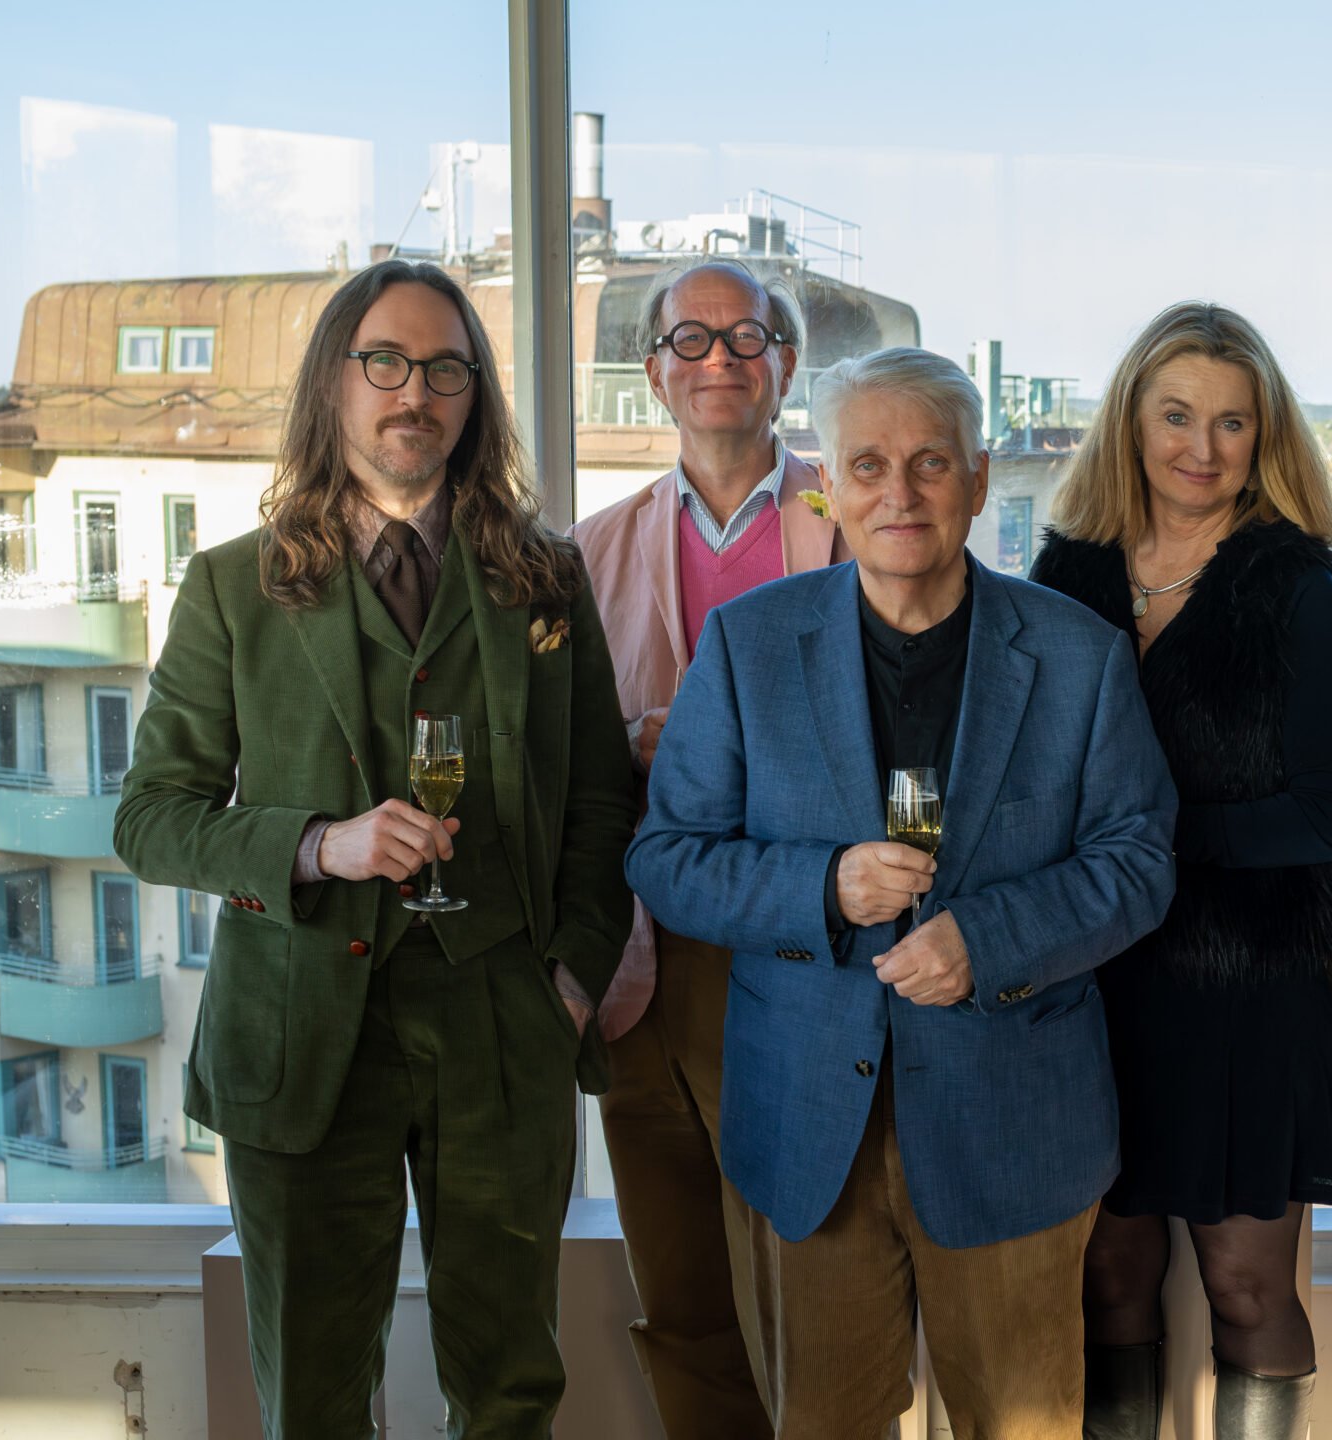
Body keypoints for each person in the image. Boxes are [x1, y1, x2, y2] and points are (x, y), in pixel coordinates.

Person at [113, 258, 634, 1437]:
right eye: (386, 363)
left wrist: (568, 985)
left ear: (474, 394)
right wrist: (317, 846)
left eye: (446, 369)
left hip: (501, 1025)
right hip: (300, 1034)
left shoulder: (545, 578)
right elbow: (150, 817)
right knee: (313, 1397)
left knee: (510, 1392)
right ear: (334, 383)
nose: (416, 393)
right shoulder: (232, 587)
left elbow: (604, 804)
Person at [624, 346, 1178, 1440]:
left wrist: (989, 937)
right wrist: (822, 887)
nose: (901, 494)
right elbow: (667, 858)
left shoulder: (1079, 655)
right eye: (869, 466)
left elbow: (1138, 861)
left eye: (931, 463)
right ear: (828, 485)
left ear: (978, 479)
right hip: (807, 1129)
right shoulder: (748, 645)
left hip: (1012, 1126)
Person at [1029, 302, 1332, 1440]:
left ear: (1264, 436)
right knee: (1107, 1277)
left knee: (1248, 1288)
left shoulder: (1292, 583)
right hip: (1088, 985)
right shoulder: (1064, 573)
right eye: (1176, 415)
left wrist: (1149, 846)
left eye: (1231, 422)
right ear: (1131, 420)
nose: (1201, 449)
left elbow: (1327, 813)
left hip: (1244, 991)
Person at [569, 257, 846, 1436]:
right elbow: (565, 764)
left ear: (787, 364)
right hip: (649, 963)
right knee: (684, 1301)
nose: (719, 359)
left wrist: (731, 748)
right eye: (691, 339)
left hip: (808, 953)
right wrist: (634, 747)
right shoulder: (588, 550)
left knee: (823, 1297)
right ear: (653, 373)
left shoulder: (854, 514)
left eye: (746, 337)